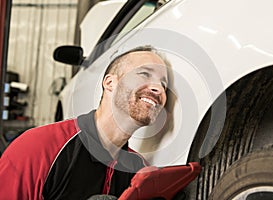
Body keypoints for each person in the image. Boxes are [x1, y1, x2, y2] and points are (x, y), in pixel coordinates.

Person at [0, 45, 170, 200]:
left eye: (163, 84)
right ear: (110, 83)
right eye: (144, 74)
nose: (158, 89)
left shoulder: (139, 170)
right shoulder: (38, 147)